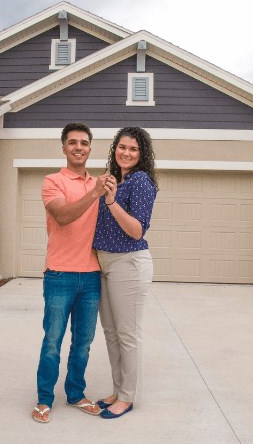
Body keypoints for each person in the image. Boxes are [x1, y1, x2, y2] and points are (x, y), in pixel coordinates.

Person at [32, 122, 116, 424]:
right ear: (64, 147)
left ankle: (76, 394)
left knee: (83, 342)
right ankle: (44, 399)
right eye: (72, 142)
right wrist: (94, 193)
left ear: (90, 147)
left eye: (83, 142)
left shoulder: (100, 184)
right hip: (59, 275)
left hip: (92, 276)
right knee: (52, 340)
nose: (78, 147)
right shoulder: (52, 181)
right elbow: (63, 216)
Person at [92, 126, 157, 419]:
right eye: (122, 147)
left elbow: (136, 230)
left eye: (133, 149)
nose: (126, 153)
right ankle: (118, 390)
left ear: (141, 154)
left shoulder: (141, 181)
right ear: (114, 148)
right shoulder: (113, 180)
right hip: (104, 263)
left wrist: (110, 201)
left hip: (128, 262)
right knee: (111, 333)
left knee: (127, 334)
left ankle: (128, 397)